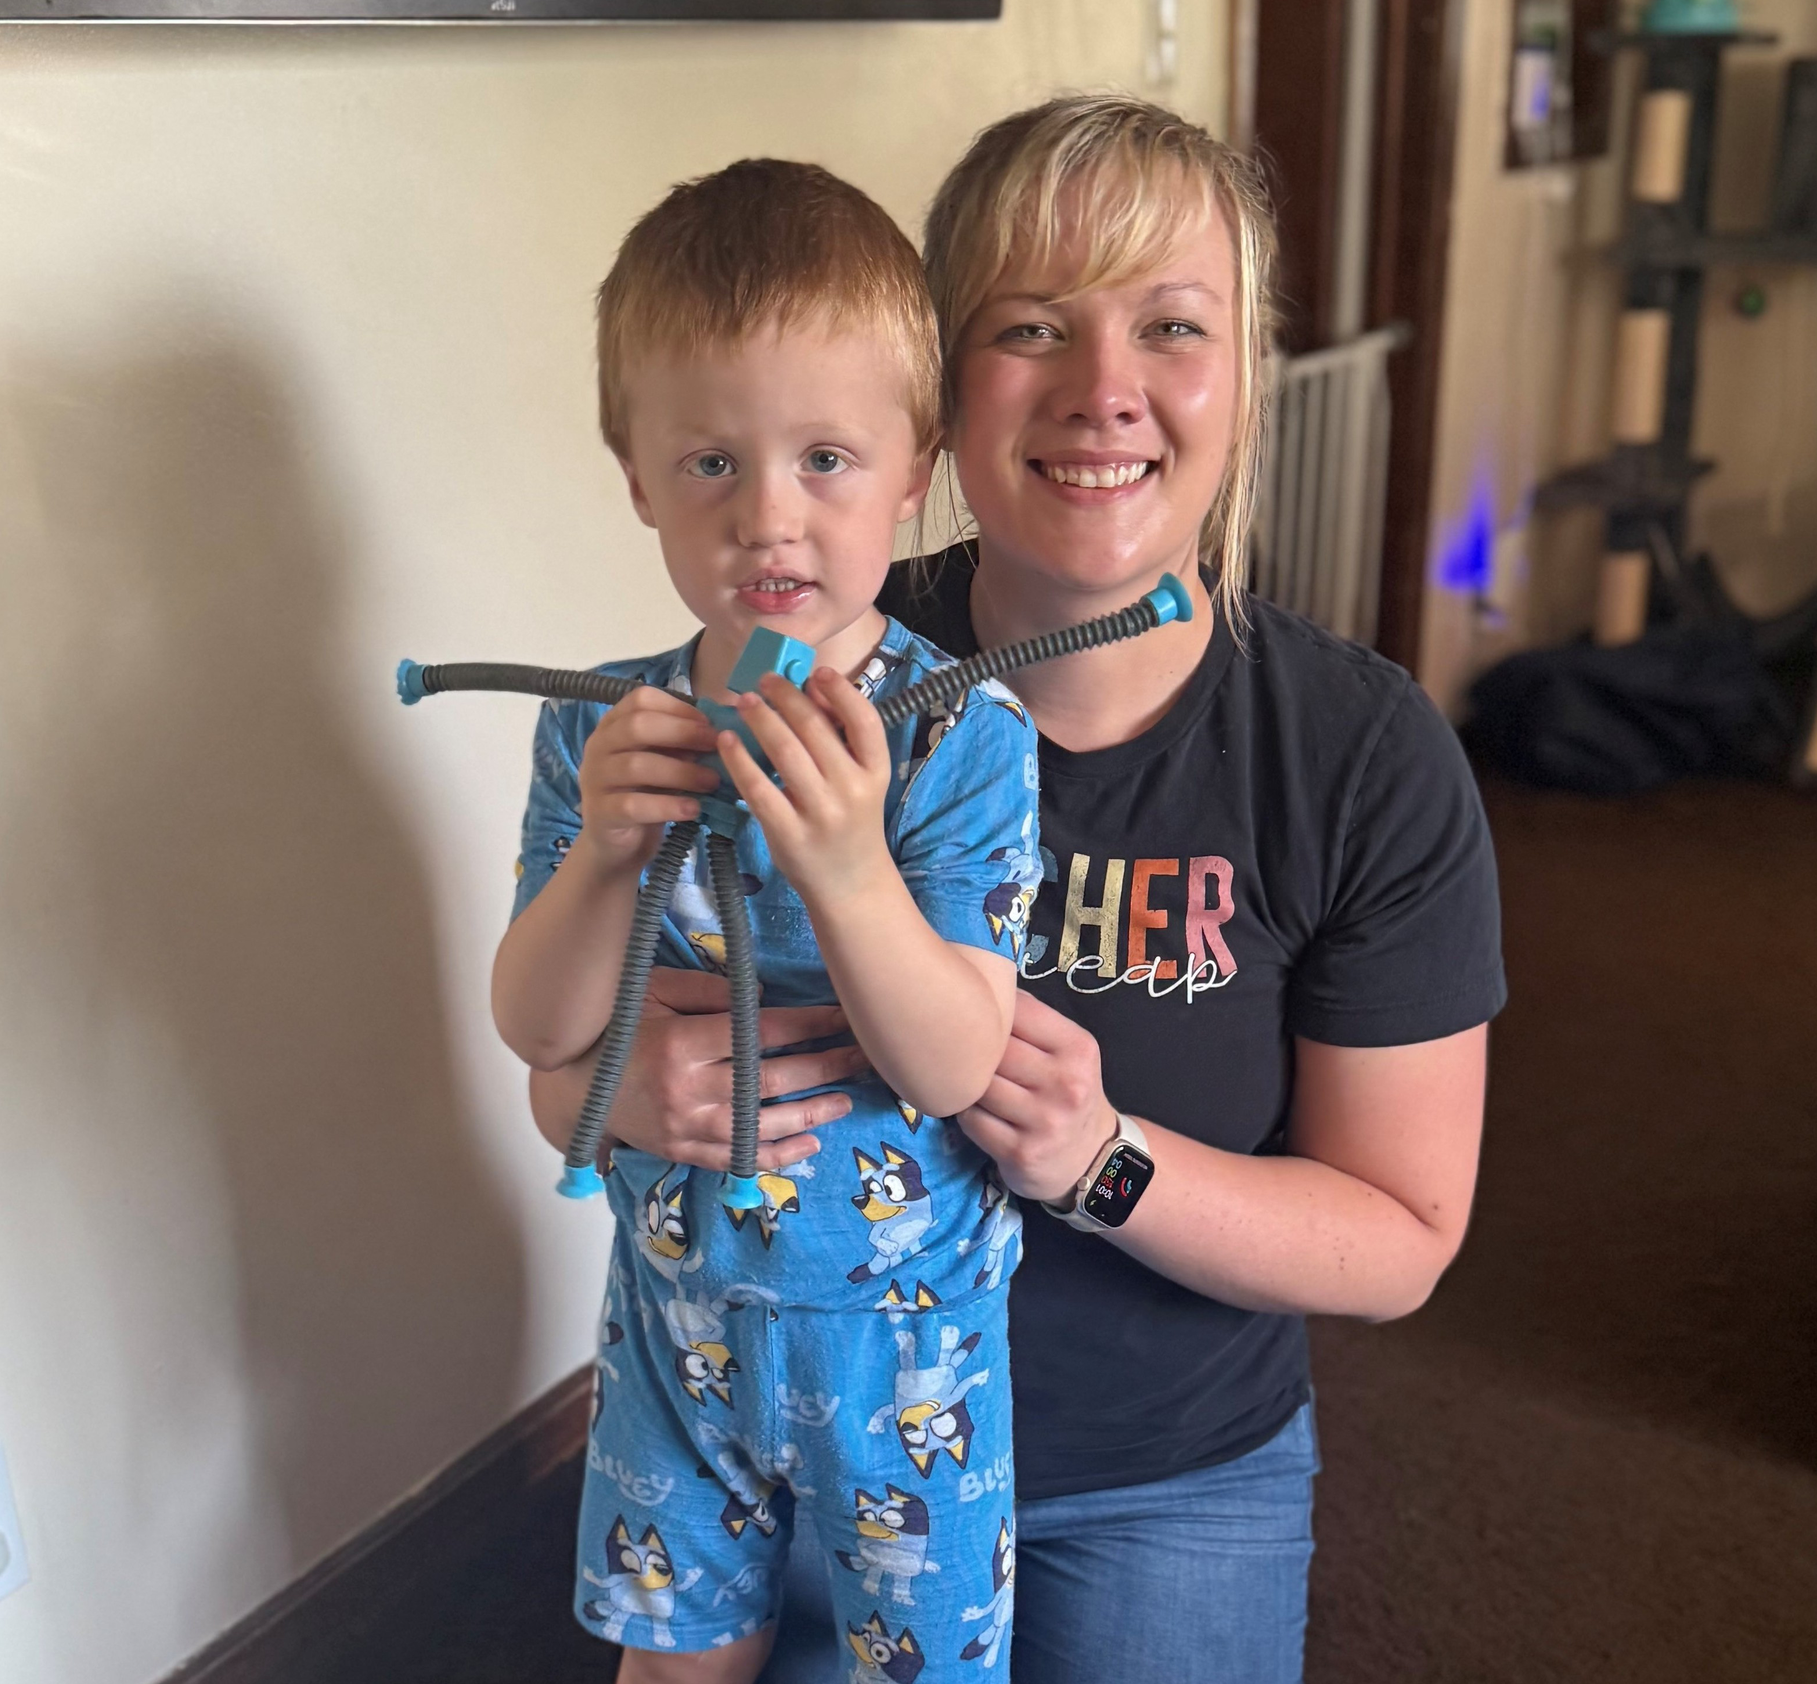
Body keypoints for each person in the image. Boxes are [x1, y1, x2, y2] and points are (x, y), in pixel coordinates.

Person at [531, 97, 1504, 1684]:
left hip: (1161, 1474)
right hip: (769, 1429)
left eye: (1172, 327)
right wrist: (607, 1084)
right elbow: (567, 1038)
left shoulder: (1355, 752)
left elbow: (1400, 1238)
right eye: (1033, 327)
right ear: (935, 397)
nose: (1105, 393)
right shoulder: (805, 643)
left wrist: (1103, 1162)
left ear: (1242, 377)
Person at [495, 158, 1046, 1683]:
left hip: (903, 1329)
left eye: (825, 458)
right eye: (711, 465)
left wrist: (854, 870)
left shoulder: (966, 737)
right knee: (671, 1661)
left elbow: (951, 1063)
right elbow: (540, 1029)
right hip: (674, 1321)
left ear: (915, 467)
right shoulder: (599, 732)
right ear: (636, 479)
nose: (770, 518)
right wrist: (607, 856)